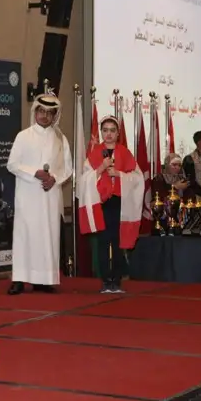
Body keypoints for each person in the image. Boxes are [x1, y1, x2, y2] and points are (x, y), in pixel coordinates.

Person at [6, 94, 73, 295]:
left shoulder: (60, 139)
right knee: (25, 236)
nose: (44, 116)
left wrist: (54, 179)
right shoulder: (23, 136)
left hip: (50, 196)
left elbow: (67, 168)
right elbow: (12, 164)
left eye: (49, 113)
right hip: (27, 196)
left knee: (47, 236)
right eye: (41, 111)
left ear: (55, 115)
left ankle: (44, 280)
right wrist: (34, 173)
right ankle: (19, 279)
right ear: (35, 112)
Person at [77, 116, 144, 294]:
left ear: (118, 133)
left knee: (117, 242)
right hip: (101, 204)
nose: (108, 134)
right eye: (105, 130)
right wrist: (101, 168)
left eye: (112, 130)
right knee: (103, 242)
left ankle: (117, 280)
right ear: (101, 132)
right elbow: (84, 179)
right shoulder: (95, 153)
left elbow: (138, 178)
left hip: (119, 204)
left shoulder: (125, 152)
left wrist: (119, 174)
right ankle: (106, 280)